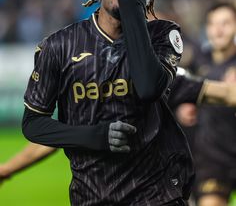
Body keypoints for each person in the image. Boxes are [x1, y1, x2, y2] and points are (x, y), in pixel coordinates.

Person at [21, 0, 194, 205]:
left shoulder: (163, 35)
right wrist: (95, 136)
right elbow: (33, 124)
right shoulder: (59, 46)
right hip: (92, 195)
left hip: (156, 193)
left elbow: (147, 87)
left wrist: (132, 3)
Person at [2, 69, 236, 187]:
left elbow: (224, 93)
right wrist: (7, 169)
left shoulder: (164, 76)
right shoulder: (96, 86)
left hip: (160, 188)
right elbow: (58, 137)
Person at [181, 2, 236, 206]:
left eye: (226, 23)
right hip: (212, 159)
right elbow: (178, 91)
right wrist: (182, 108)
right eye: (213, 24)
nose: (219, 30)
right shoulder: (195, 61)